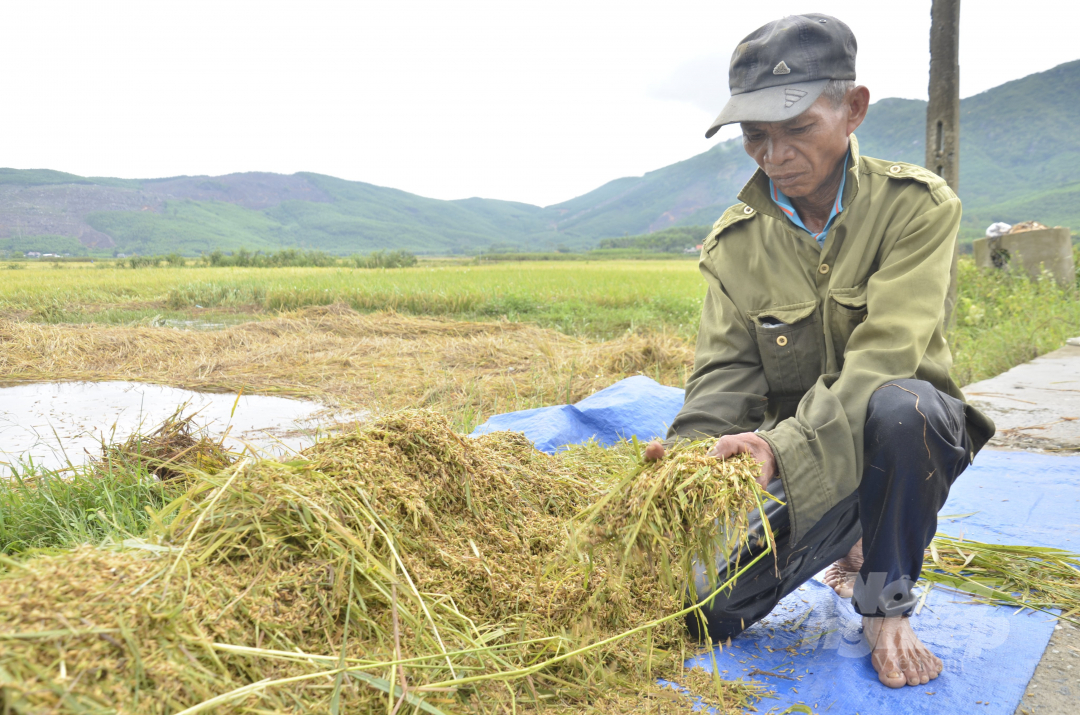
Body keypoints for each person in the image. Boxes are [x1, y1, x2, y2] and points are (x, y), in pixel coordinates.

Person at [646, 14, 995, 689]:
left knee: (903, 406)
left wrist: (781, 450)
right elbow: (721, 386)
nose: (774, 155)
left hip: (905, 441)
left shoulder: (916, 208)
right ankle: (852, 530)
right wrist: (680, 478)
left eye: (797, 128)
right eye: (755, 136)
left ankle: (886, 596)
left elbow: (888, 352)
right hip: (807, 469)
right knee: (706, 611)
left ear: (852, 109)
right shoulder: (735, 246)